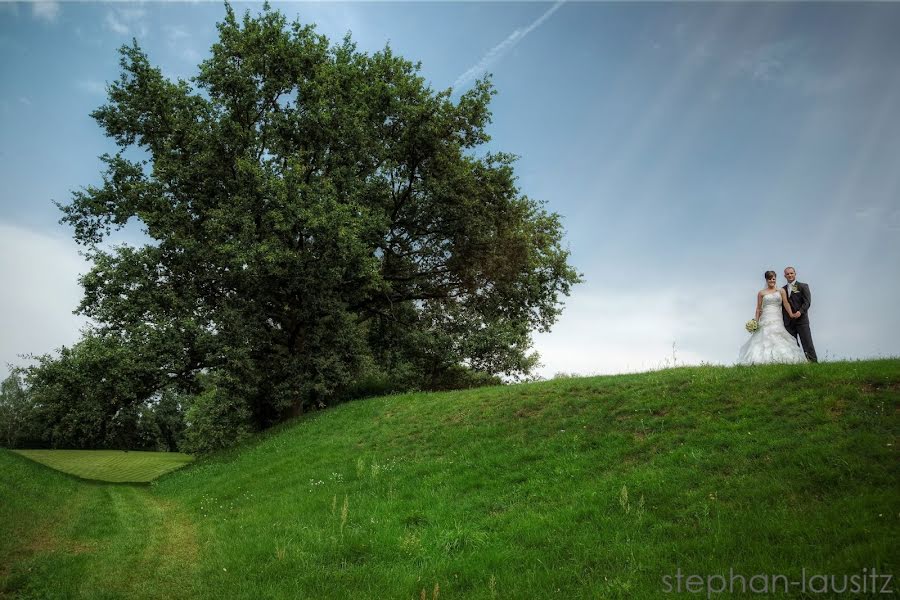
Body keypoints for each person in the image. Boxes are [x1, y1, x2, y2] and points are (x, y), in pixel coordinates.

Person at [738, 271, 807, 365]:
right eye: (770, 279)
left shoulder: (781, 291)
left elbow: (786, 303)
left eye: (773, 279)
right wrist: (756, 321)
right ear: (766, 280)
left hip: (777, 317)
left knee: (779, 335)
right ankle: (762, 360)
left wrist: (791, 314)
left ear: (776, 279)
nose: (772, 281)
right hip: (766, 316)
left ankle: (783, 359)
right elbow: (758, 308)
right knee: (764, 336)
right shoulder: (761, 293)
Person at [782, 266, 818, 363]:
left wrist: (800, 312)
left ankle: (813, 363)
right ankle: (797, 362)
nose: (790, 275)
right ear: (784, 276)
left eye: (791, 273)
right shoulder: (782, 290)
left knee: (807, 343)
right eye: (787, 274)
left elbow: (807, 302)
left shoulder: (803, 286)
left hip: (802, 320)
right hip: (788, 322)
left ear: (795, 274)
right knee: (792, 344)